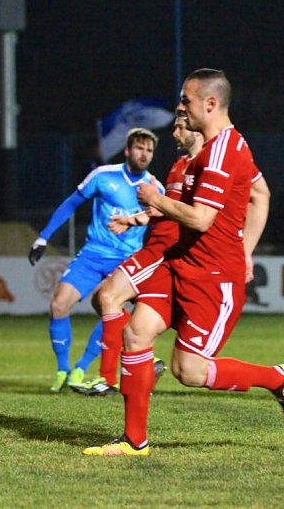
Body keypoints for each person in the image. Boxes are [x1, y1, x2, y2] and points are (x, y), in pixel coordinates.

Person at [83, 68, 284, 457]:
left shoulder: (221, 153)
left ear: (210, 104)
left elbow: (201, 218)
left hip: (213, 278)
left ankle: (279, 377)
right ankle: (134, 440)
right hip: (178, 264)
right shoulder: (218, 148)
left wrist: (154, 199)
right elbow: (252, 195)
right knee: (135, 333)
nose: (180, 109)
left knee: (190, 372)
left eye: (186, 100)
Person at [74, 114, 206, 396]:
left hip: (164, 249)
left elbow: (193, 215)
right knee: (103, 298)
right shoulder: (178, 166)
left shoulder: (202, 167)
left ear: (198, 131)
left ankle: (108, 379)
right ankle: (144, 362)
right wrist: (131, 219)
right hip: (154, 244)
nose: (175, 132)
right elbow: (162, 210)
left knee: (108, 297)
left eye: (181, 127)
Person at [28, 128, 164, 393]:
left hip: (126, 261)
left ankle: (83, 366)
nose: (144, 154)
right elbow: (71, 203)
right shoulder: (104, 176)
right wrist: (43, 237)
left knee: (109, 308)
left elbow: (161, 220)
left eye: (149, 150)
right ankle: (63, 370)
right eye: (139, 148)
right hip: (93, 255)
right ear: (127, 150)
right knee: (58, 304)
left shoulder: (154, 188)